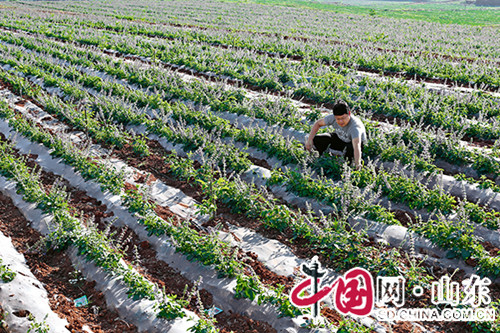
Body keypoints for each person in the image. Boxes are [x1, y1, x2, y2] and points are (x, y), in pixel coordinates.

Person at [305, 101, 367, 170]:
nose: (341, 121)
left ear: (349, 113)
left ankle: (347, 167)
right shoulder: (332, 118)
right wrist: (309, 140)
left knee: (350, 150)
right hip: (340, 138)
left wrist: (358, 164)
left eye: (343, 118)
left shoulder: (355, 127)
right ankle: (321, 157)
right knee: (319, 139)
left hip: (353, 143)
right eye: (338, 119)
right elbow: (318, 123)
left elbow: (357, 146)